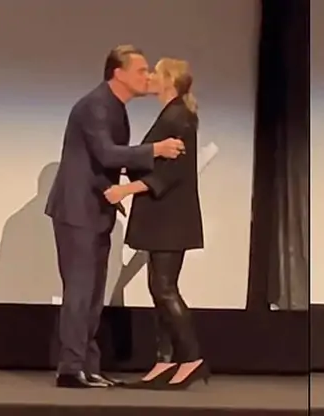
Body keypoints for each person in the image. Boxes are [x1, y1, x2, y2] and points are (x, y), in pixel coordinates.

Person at [45, 45, 186, 389]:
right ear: (118, 73)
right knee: (80, 290)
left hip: (96, 210)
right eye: (141, 70)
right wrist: (157, 150)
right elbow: (107, 154)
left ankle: (87, 366)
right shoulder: (95, 105)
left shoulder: (115, 108)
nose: (148, 76)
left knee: (94, 293)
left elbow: (106, 162)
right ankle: (70, 368)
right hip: (77, 211)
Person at [103, 58, 207, 390]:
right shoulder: (172, 114)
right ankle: (166, 360)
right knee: (159, 289)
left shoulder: (179, 117)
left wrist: (125, 189)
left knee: (164, 288)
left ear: (169, 81)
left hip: (170, 217)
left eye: (155, 74)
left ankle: (192, 359)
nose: (148, 78)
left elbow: (171, 173)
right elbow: (153, 160)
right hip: (163, 215)